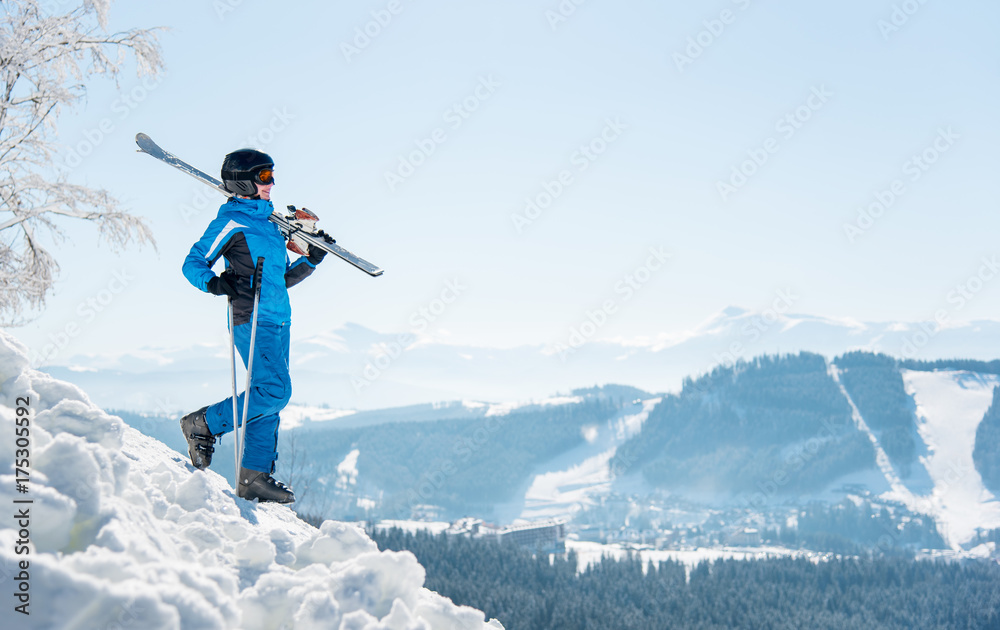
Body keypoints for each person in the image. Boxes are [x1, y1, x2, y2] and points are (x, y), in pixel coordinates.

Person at [178, 148, 326, 503]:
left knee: (267, 394)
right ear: (244, 182)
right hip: (251, 316)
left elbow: (280, 280)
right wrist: (214, 283)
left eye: (272, 176)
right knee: (276, 391)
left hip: (278, 317)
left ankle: (255, 476)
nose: (271, 183)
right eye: (263, 177)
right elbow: (193, 262)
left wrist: (312, 262)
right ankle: (203, 424)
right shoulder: (233, 222)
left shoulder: (272, 226)